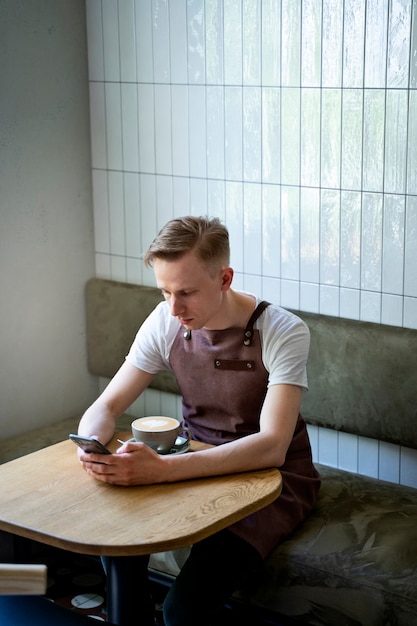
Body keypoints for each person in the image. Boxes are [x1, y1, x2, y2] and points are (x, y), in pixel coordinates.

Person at [77, 215, 321, 626]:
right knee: (116, 543)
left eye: (186, 292)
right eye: (165, 291)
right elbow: (105, 407)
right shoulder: (165, 320)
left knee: (184, 609)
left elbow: (273, 445)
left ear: (224, 278)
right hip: (192, 464)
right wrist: (92, 447)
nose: (174, 308)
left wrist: (162, 470)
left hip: (272, 481)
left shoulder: (282, 331)